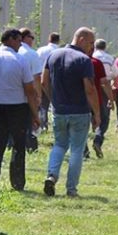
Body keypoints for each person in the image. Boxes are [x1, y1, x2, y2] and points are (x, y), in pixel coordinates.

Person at [0, 28, 40, 191]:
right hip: (18, 108)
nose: (21, 44)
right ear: (11, 39)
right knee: (19, 146)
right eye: (19, 40)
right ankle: (17, 182)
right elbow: (29, 90)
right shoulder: (20, 61)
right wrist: (35, 114)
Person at [42, 27, 100, 197]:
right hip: (79, 111)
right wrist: (96, 113)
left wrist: (54, 101)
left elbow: (44, 82)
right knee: (76, 149)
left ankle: (51, 176)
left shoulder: (53, 55)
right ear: (81, 39)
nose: (92, 48)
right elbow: (90, 89)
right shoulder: (84, 60)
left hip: (59, 111)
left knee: (59, 145)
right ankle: (71, 189)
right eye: (90, 43)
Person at [17, 28, 42, 152]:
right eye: (32, 38)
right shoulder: (32, 54)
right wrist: (38, 96)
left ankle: (13, 145)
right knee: (30, 121)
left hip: (11, 94)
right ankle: (30, 146)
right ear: (25, 38)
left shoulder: (12, 52)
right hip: (28, 93)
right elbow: (36, 77)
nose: (32, 41)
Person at [90, 52, 114, 159]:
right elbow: (104, 82)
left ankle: (84, 151)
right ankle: (98, 140)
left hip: (80, 101)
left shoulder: (74, 61)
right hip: (96, 99)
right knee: (104, 120)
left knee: (82, 125)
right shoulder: (96, 63)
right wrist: (111, 99)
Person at [36, 32, 61, 132]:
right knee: (56, 102)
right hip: (53, 80)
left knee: (42, 104)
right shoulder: (59, 51)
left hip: (39, 78)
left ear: (49, 39)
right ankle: (57, 124)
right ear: (58, 40)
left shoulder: (40, 50)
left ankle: (42, 125)